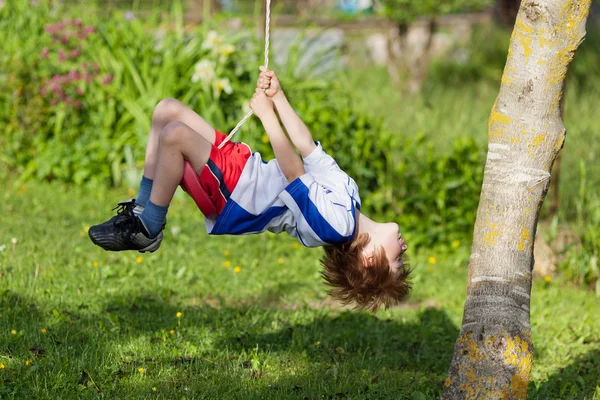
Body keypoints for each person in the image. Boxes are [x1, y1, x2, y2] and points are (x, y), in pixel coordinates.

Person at [89, 67, 410, 311]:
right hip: (246, 169)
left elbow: (294, 172)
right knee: (166, 110)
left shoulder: (334, 228)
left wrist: (268, 118)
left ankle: (148, 226)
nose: (404, 252)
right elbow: (307, 148)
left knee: (174, 134)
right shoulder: (349, 198)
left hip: (238, 194)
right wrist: (278, 96)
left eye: (397, 263)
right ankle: (141, 209)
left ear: (369, 259)